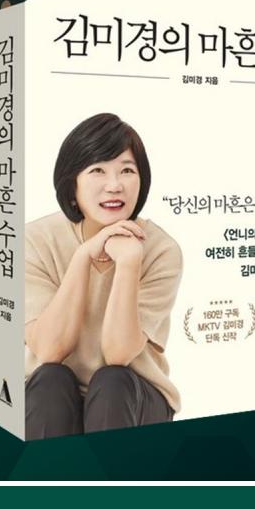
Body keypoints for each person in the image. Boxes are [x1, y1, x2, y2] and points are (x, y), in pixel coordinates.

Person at [24, 115, 180, 434]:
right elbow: (50, 349)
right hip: (49, 397)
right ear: (72, 184)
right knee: (51, 378)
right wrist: (83, 257)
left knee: (112, 381)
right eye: (97, 170)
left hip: (134, 395)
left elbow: (118, 354)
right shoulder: (34, 241)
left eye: (127, 170)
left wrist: (129, 262)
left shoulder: (161, 250)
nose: (115, 185)